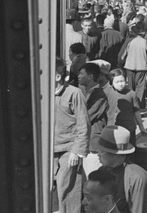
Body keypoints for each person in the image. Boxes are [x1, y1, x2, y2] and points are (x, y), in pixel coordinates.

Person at [54, 58, 90, 213]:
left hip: (68, 150)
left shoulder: (74, 94)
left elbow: (84, 125)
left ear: (57, 77)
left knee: (68, 192)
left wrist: (76, 151)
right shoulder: (42, 95)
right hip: (50, 151)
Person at [97, 126, 147, 213]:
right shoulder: (101, 171)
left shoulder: (137, 177)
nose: (98, 154)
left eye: (102, 151)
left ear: (115, 154)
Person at [118, 22, 147, 109]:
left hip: (129, 67)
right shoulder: (146, 42)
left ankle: (131, 105)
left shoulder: (129, 41)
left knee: (130, 87)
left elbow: (122, 56)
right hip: (141, 68)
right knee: (140, 88)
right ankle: (138, 107)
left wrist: (121, 64)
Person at [105, 68, 147, 148]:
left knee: (130, 150)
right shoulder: (109, 95)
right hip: (115, 129)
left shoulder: (131, 94)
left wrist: (142, 128)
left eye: (122, 81)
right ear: (111, 83)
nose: (121, 84)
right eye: (117, 82)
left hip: (129, 128)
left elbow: (136, 112)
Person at [78, 63, 109, 155]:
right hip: (86, 142)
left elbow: (87, 117)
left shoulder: (100, 95)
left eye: (81, 74)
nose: (78, 76)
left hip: (94, 144)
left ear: (90, 76)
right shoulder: (87, 92)